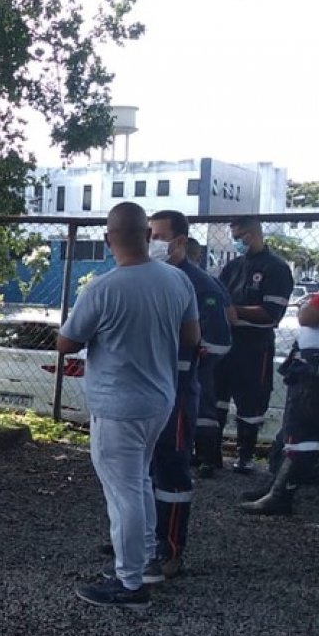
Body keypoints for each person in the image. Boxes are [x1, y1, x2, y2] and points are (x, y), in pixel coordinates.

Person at [57, 202, 198, 610]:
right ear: (149, 236)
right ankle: (141, 561)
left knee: (124, 494)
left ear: (107, 239)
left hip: (118, 404)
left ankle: (130, 583)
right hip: (159, 399)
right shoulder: (177, 281)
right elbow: (192, 336)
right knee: (138, 484)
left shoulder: (102, 289)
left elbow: (67, 343)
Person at [147, 211, 232, 576]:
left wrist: (178, 353)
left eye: (158, 236)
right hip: (146, 390)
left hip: (178, 392)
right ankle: (144, 537)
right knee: (143, 469)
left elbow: (218, 343)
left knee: (171, 468)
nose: (151, 241)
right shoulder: (149, 277)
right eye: (148, 234)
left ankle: (171, 548)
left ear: (179, 242)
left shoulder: (201, 286)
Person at [212, 217, 294, 473]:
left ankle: (245, 457)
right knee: (216, 399)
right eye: (234, 237)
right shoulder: (233, 266)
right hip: (226, 342)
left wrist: (234, 311)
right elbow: (218, 297)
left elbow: (271, 312)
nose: (237, 242)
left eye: (240, 236)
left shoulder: (275, 268)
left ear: (255, 234)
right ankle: (210, 454)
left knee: (251, 402)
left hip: (254, 346)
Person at [239, 292, 319, 515]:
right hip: (309, 365)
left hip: (312, 369)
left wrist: (305, 305)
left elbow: (308, 316)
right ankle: (277, 485)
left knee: (302, 435)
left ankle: (280, 495)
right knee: (291, 433)